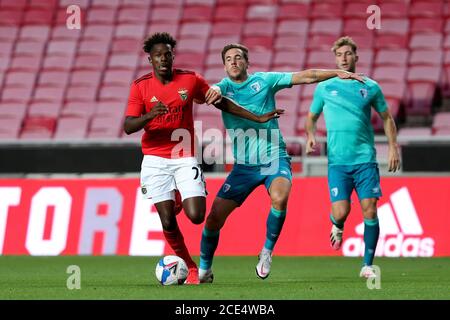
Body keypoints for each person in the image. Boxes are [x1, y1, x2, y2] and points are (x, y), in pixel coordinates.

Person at [198, 43, 364, 283]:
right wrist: (212, 89)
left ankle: (266, 251)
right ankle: (205, 270)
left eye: (238, 58)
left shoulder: (265, 81)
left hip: (274, 157)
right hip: (244, 166)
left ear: (247, 62)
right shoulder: (222, 88)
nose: (233, 61)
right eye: (229, 59)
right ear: (224, 66)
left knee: (280, 197)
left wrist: (336, 72)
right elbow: (213, 89)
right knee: (214, 218)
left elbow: (306, 76)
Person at [124, 33, 281, 285]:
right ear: (150, 59)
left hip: (183, 154)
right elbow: (129, 126)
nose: (163, 59)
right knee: (167, 220)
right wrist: (149, 115)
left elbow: (221, 102)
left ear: (172, 56)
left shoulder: (190, 79)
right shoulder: (140, 86)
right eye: (157, 56)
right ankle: (190, 267)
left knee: (196, 216)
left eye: (167, 54)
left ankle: (177, 195)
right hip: (154, 158)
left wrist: (257, 117)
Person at [305, 36, 401, 278]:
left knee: (369, 209)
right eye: (340, 55)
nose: (344, 59)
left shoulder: (370, 86)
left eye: (348, 54)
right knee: (341, 212)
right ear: (335, 59)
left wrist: (392, 147)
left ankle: (367, 265)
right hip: (338, 162)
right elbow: (312, 117)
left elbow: (387, 117)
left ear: (356, 57)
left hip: (365, 160)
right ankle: (337, 225)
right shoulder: (324, 87)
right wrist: (310, 135)